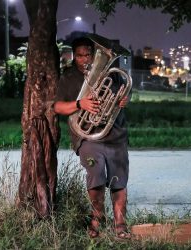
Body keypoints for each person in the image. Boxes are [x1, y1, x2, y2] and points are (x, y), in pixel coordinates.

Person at [54, 37, 130, 239]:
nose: (85, 59)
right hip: (88, 137)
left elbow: (125, 92)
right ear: (74, 56)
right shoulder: (68, 78)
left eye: (88, 54)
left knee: (119, 180)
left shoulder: (112, 74)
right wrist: (81, 104)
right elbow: (57, 107)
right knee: (95, 174)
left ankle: (120, 223)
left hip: (115, 134)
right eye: (80, 55)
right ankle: (97, 218)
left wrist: (124, 99)